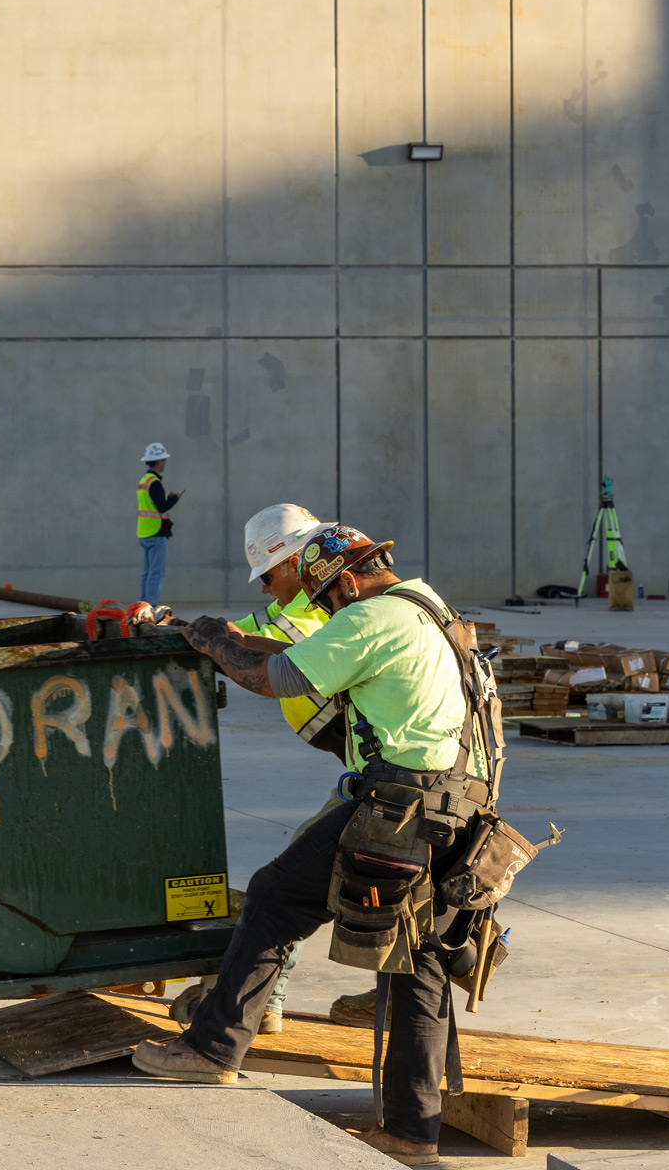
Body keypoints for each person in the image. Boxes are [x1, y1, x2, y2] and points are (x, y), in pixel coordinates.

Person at [132, 523, 482, 1166]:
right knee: (418, 964)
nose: (324, 612)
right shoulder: (426, 606)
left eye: (325, 601)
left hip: (399, 807)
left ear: (347, 580)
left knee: (276, 896)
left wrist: (213, 644)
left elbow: (282, 678)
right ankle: (412, 1136)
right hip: (460, 809)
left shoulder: (372, 616)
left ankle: (211, 1049)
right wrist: (230, 638)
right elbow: (321, 654)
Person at [229, 503, 334, 1034]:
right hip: (378, 764)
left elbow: (275, 668)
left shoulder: (341, 615)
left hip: (402, 772)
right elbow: (238, 635)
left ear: (295, 561)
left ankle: (263, 1004)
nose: (266, 587)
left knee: (288, 885)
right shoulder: (303, 608)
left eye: (269, 575)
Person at [135, 442, 182, 606]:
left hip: (145, 532)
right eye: (164, 460)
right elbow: (162, 507)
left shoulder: (144, 481)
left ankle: (142, 605)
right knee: (156, 573)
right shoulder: (154, 482)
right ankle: (150, 606)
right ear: (159, 461)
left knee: (147, 573)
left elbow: (152, 505)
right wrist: (174, 498)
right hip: (156, 533)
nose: (165, 464)